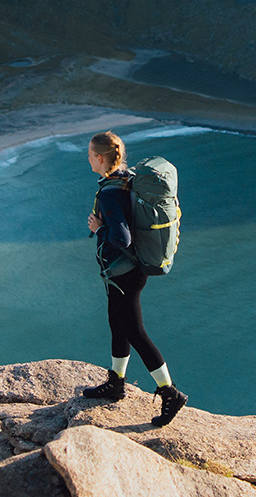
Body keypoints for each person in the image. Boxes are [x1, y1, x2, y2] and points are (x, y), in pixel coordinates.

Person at [80, 130, 188, 424]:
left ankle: (170, 393)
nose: (88, 158)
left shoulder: (110, 192)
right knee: (118, 325)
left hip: (124, 274)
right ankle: (116, 382)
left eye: (90, 154)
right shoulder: (124, 178)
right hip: (125, 273)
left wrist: (100, 227)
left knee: (136, 333)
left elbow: (122, 238)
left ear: (100, 158)